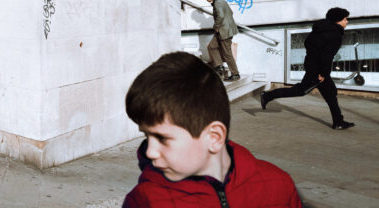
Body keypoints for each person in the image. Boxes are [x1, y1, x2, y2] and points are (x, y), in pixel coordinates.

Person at [123, 52, 302, 208]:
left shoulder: (277, 185)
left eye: (162, 138)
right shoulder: (145, 201)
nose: (150, 151)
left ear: (214, 138)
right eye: (147, 136)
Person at [261, 8, 355, 130]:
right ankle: (268, 96)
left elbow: (308, 44)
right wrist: (322, 73)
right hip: (318, 70)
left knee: (330, 93)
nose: (346, 22)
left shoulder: (320, 29)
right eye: (345, 19)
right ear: (338, 20)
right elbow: (326, 56)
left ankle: (338, 122)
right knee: (300, 91)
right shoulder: (335, 35)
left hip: (312, 65)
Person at [202, 0, 240, 81]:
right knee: (212, 46)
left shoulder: (218, 3)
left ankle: (235, 74)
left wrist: (217, 26)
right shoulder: (220, 1)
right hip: (223, 30)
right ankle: (219, 66)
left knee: (227, 53)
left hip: (224, 31)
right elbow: (230, 12)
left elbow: (221, 16)